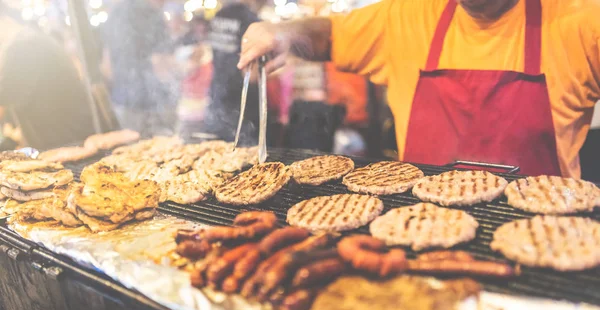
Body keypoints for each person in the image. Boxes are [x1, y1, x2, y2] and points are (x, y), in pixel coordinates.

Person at [238, 0, 600, 178]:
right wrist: (283, 34)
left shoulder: (580, 20)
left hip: (546, 243)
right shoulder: (409, 16)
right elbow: (330, 33)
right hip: (417, 231)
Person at [0, 1, 95, 150]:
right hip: (71, 137)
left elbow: (4, 96)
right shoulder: (32, 39)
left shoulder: (23, 46)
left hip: (67, 140)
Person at [102, 0, 178, 135]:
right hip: (151, 105)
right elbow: (161, 63)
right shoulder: (152, 14)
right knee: (166, 150)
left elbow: (107, 67)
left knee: (132, 151)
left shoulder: (115, 13)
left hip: (122, 102)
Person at [203, 0, 267, 144]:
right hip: (241, 101)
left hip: (216, 94)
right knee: (243, 152)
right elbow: (253, 75)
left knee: (214, 150)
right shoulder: (252, 22)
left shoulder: (219, 14)